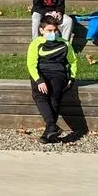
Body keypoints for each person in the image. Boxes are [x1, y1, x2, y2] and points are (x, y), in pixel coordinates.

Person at [27, 14, 78, 144]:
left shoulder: (65, 43)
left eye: (55, 30)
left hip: (58, 73)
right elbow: (31, 64)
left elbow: (73, 61)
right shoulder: (36, 44)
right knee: (39, 95)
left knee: (55, 99)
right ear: (41, 30)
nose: (53, 33)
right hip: (41, 72)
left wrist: (71, 78)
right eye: (49, 30)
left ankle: (50, 129)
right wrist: (39, 80)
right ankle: (51, 127)